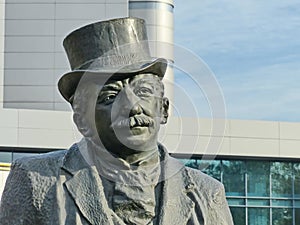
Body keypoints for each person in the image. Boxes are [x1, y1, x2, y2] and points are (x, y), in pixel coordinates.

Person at [0, 17, 233, 225]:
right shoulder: (36, 180)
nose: (132, 107)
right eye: (110, 97)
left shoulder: (207, 193)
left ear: (163, 109)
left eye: (143, 91)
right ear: (82, 121)